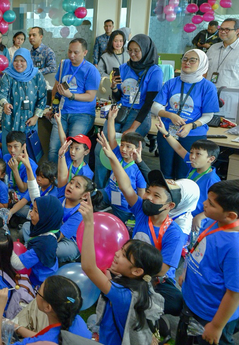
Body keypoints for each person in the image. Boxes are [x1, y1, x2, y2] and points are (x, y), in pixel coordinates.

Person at [99, 133, 186, 317]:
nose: (147, 197)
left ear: (169, 206)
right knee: (106, 281)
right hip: (131, 268)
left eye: (156, 196)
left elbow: (162, 269)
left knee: (174, 302)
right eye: (148, 192)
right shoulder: (141, 209)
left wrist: (131, 273)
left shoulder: (173, 232)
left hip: (152, 278)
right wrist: (111, 156)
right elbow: (125, 187)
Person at [79, 195, 164, 345]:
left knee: (88, 322)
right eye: (122, 249)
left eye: (124, 255)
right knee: (93, 319)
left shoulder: (123, 296)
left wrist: (89, 223)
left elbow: (88, 267)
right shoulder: (143, 285)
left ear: (137, 271)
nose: (117, 253)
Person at [95, 34, 163, 188]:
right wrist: (113, 87)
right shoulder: (123, 68)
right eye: (130, 50)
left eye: (136, 50)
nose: (132, 54)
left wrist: (133, 128)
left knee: (124, 153)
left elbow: (148, 104)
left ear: (145, 50)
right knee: (101, 149)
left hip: (140, 114)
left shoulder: (155, 71)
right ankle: (100, 190)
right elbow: (118, 96)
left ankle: (122, 191)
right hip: (121, 111)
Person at [177, 180, 239, 345]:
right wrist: (186, 272)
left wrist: (217, 326)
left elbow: (234, 294)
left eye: (211, 203)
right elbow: (198, 249)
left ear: (231, 215)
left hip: (211, 316)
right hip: (194, 301)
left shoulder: (235, 247)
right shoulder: (216, 221)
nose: (204, 203)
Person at [152, 49, 219, 179]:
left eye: (192, 60)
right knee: (166, 172)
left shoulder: (208, 87)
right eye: (185, 59)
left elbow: (208, 115)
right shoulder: (172, 82)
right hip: (168, 132)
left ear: (202, 63)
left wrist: (191, 125)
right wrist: (170, 115)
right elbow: (155, 107)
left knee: (185, 173)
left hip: (193, 134)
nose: (187, 62)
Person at [0, 276, 90, 345]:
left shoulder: (40, 342)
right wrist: (18, 328)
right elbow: (47, 336)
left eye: (38, 291)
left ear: (48, 307)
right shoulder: (76, 320)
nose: (36, 294)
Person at [155, 123, 221, 227]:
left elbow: (219, 205)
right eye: (191, 153)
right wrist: (166, 133)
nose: (192, 157)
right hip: (183, 211)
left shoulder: (212, 179)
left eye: (198, 154)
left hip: (197, 219)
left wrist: (200, 216)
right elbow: (179, 148)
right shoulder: (193, 167)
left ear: (211, 159)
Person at [48, 38, 100, 162]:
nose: (72, 55)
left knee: (73, 149)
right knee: (53, 149)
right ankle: (52, 179)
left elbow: (90, 96)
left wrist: (70, 95)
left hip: (82, 114)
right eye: (70, 51)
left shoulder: (91, 70)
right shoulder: (63, 64)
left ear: (85, 52)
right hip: (62, 112)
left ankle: (72, 179)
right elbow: (55, 88)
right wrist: (52, 107)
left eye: (76, 52)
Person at [100, 106, 147, 222]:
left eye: (128, 147)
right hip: (108, 194)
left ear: (137, 149)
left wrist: (137, 211)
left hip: (124, 206)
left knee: (119, 225)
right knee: (90, 196)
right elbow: (112, 138)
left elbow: (141, 192)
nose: (124, 149)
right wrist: (111, 119)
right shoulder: (118, 155)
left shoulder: (139, 169)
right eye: (122, 145)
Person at [0, 48, 47, 151]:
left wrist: (36, 117)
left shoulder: (37, 76)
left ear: (28, 61)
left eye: (22, 60)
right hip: (10, 122)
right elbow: (0, 94)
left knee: (28, 153)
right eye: (16, 60)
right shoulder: (8, 76)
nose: (18, 63)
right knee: (10, 153)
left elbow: (42, 98)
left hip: (29, 122)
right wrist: (5, 104)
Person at [13, 195, 63, 288]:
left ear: (46, 217)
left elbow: (18, 264)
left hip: (40, 282)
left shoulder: (43, 245)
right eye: (32, 209)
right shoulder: (50, 229)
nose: (31, 214)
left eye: (36, 211)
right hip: (39, 271)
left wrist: (6, 246)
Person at [207, 18, 239, 89]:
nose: (223, 32)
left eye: (227, 29)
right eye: (221, 29)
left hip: (231, 96)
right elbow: (205, 70)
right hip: (209, 93)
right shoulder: (213, 48)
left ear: (237, 31)